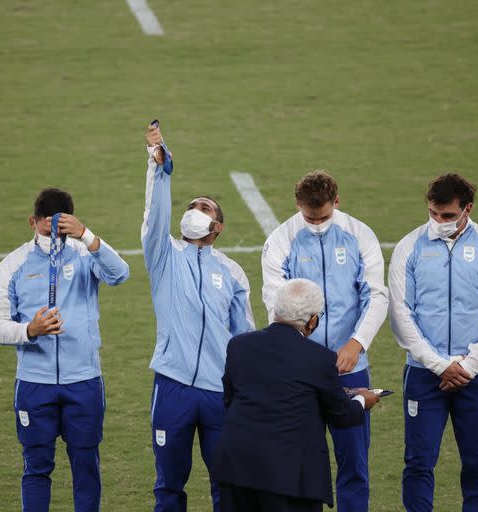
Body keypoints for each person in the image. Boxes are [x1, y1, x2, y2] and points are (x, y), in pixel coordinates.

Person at [0, 187, 129, 512]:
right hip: (34, 384)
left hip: (83, 381)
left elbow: (120, 274)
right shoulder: (13, 265)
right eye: (45, 227)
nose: (51, 235)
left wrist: (86, 235)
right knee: (36, 468)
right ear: (32, 222)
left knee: (86, 467)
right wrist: (30, 330)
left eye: (60, 228)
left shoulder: (84, 255)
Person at [142, 123, 255, 512]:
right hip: (172, 386)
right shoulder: (164, 256)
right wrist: (158, 166)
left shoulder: (234, 273)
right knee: (168, 486)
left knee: (228, 486)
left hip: (219, 393)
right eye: (191, 207)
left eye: (204, 207)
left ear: (217, 226)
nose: (194, 211)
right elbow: (153, 216)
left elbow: (246, 339)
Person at [261, 170, 388, 512]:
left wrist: (356, 344)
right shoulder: (281, 239)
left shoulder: (360, 235)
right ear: (298, 205)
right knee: (296, 467)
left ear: (337, 201)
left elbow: (376, 296)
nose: (316, 223)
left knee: (354, 466)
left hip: (350, 368)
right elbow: (276, 304)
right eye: (309, 217)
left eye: (325, 216)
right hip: (300, 373)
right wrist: (305, 357)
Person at [389, 173, 478, 512]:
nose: (437, 221)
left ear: (467, 209)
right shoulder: (408, 247)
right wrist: (441, 364)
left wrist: (468, 365)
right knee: (417, 462)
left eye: (446, 215)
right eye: (432, 213)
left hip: (475, 375)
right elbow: (401, 315)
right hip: (425, 374)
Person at [213, 278, 379, 512]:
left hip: (237, 469)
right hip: (291, 480)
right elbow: (341, 415)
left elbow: (230, 400)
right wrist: (363, 400)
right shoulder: (320, 358)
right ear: (312, 320)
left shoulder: (239, 345)